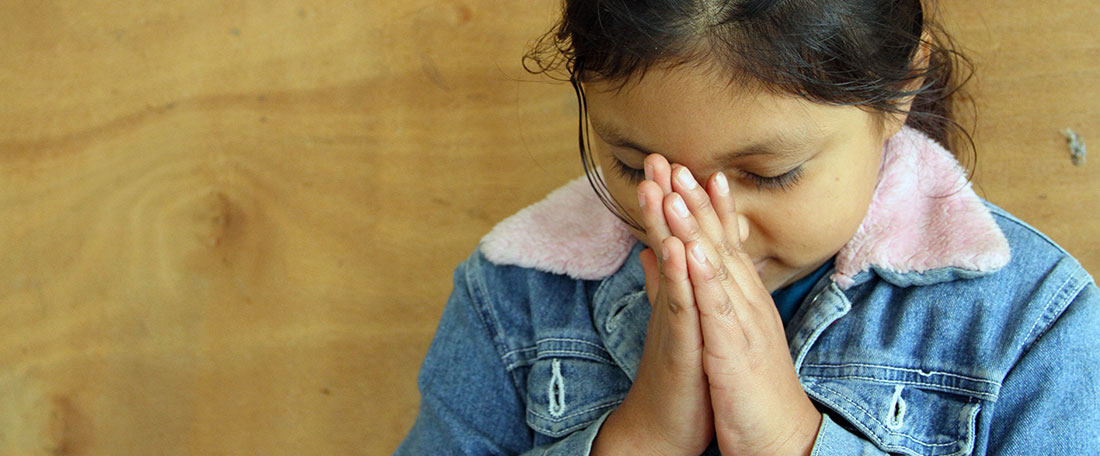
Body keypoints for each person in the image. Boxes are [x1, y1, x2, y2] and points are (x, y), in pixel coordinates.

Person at [395, 0, 1100, 454]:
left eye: (768, 174)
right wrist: (638, 442)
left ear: (898, 96)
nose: (708, 230)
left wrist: (792, 441)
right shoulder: (513, 296)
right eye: (639, 169)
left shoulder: (1029, 324)